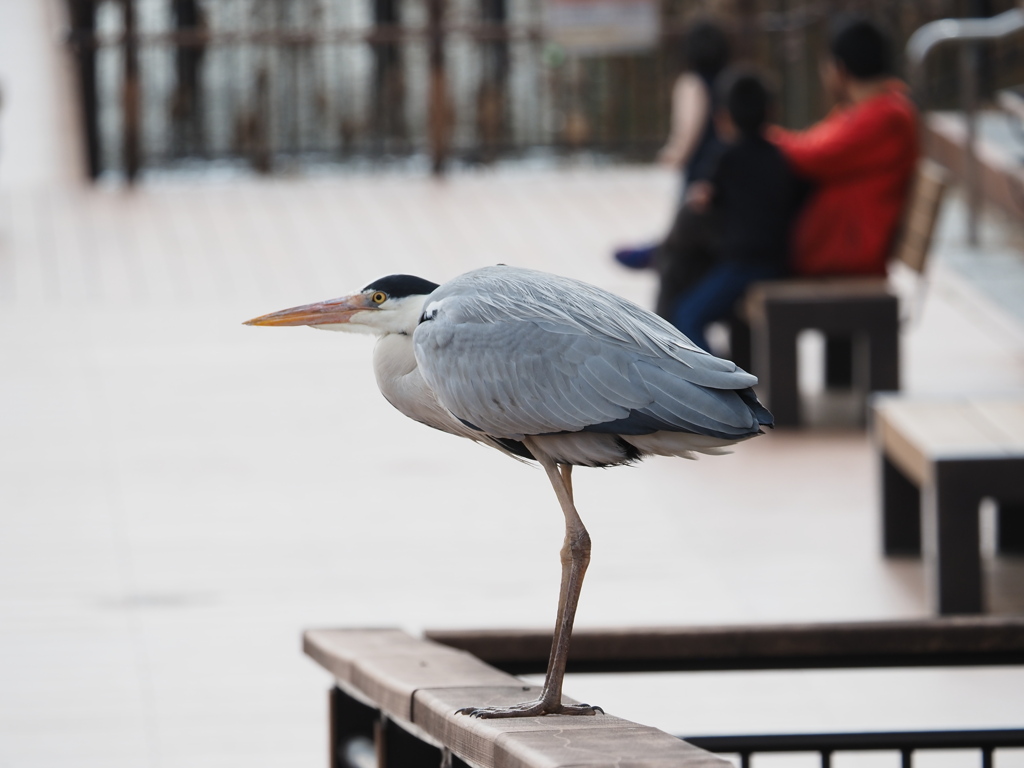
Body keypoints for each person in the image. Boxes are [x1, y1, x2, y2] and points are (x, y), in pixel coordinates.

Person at [668, 69, 806, 353]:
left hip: (742, 265)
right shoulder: (781, 158)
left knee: (686, 316)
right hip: (779, 263)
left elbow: (703, 201)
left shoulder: (726, 159)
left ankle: (719, 385)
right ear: (772, 111)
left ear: (723, 118)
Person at [770, 15, 918, 277]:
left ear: (839, 69)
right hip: (842, 242)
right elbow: (813, 145)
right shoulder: (870, 109)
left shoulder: (884, 116)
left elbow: (814, 155)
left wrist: (764, 135)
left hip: (847, 252)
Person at [614, 18, 730, 269]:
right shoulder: (730, 81)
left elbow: (688, 129)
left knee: (688, 227)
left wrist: (673, 155)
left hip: (700, 166)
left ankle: (656, 254)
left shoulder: (692, 83)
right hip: (727, 164)